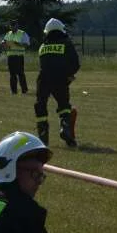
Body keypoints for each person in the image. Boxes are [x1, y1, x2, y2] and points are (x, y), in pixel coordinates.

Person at [34, 18, 80, 147]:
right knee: (64, 105)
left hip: (43, 78)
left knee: (40, 105)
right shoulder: (66, 43)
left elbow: (43, 63)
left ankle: (43, 136)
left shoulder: (43, 46)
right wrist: (68, 75)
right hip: (60, 78)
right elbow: (75, 63)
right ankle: (65, 128)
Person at [2, 20, 30, 95]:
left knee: (20, 73)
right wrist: (4, 44)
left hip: (19, 56)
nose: (12, 26)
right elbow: (4, 42)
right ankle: (13, 91)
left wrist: (18, 44)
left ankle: (24, 90)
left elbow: (27, 44)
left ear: (17, 25)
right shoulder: (8, 33)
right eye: (11, 25)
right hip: (10, 56)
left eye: (14, 25)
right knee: (12, 74)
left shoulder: (22, 33)